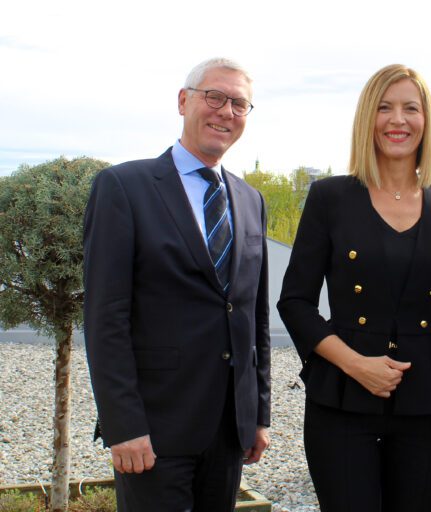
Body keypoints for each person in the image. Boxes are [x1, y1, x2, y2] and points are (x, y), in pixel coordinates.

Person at [278, 64, 431, 512]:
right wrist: (357, 365)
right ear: (368, 118)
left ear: (426, 121)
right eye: (384, 108)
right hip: (341, 402)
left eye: (411, 108)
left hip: (428, 407)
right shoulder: (330, 197)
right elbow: (294, 303)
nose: (398, 120)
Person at [83, 57, 271, 511]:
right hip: (155, 428)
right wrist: (123, 425)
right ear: (184, 101)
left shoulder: (250, 200)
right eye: (215, 97)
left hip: (229, 430)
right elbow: (105, 318)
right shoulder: (123, 187)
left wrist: (257, 414)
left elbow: (253, 315)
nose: (226, 111)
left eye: (239, 104)